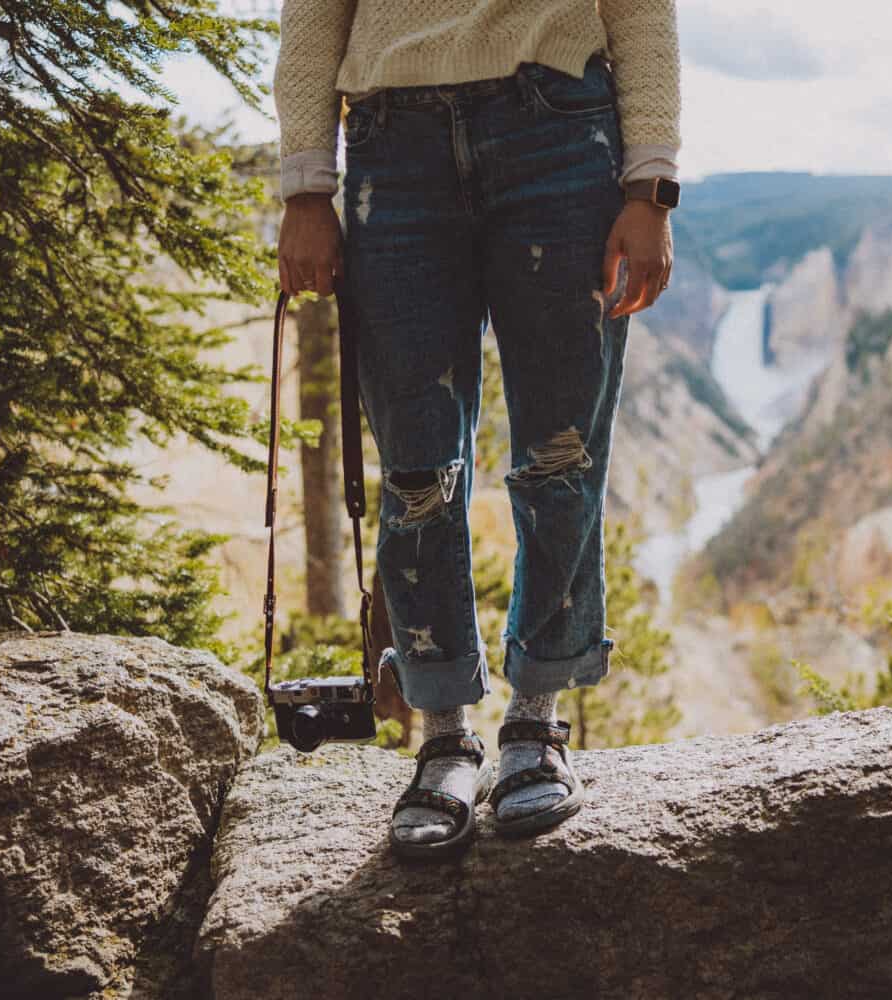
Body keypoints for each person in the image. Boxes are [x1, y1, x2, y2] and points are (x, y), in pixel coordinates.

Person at [273, 0, 681, 858]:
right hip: (394, 145)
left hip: (561, 131)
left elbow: (640, 9)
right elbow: (314, 13)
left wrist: (651, 186)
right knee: (418, 469)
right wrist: (307, 186)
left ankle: (536, 722)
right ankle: (444, 734)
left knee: (560, 454)